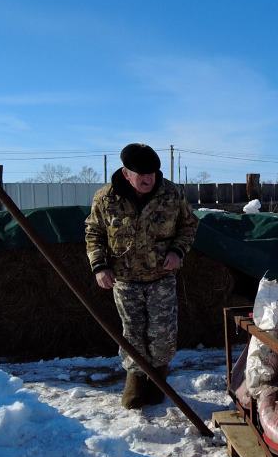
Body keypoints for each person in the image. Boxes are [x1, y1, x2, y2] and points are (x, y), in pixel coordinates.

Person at [85, 143, 198, 409]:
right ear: (126, 173)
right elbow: (94, 232)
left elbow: (189, 225)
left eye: (153, 173)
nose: (149, 179)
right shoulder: (106, 198)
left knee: (163, 333)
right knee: (132, 334)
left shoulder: (171, 193)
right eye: (142, 174)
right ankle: (135, 380)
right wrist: (99, 266)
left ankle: (158, 378)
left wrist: (177, 251)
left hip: (161, 276)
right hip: (125, 279)